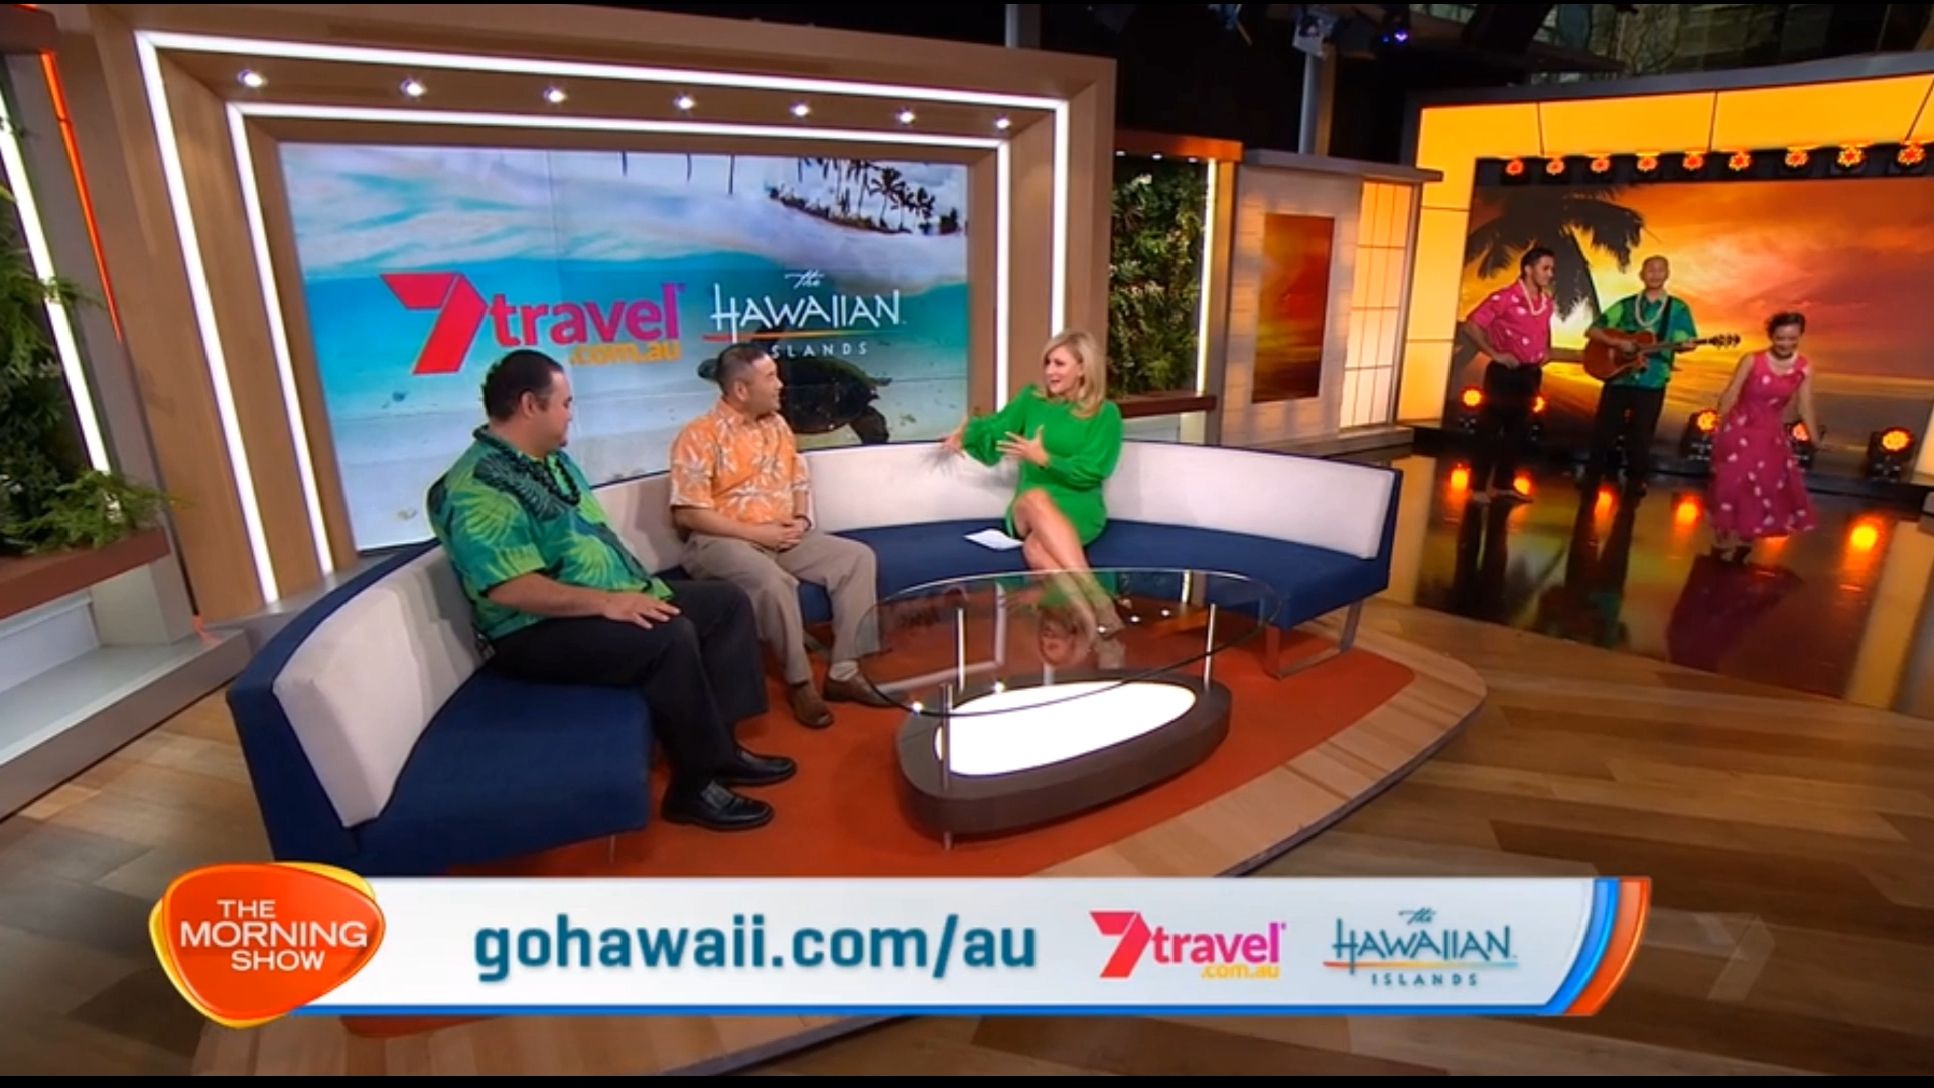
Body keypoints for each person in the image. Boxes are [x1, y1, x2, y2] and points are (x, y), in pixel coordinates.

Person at [426, 349, 795, 833]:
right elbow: (511, 589)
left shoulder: (552, 462)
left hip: (605, 597)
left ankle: (721, 750)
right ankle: (692, 787)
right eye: (566, 404)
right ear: (530, 405)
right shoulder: (476, 488)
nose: (571, 414)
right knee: (669, 636)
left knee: (725, 603)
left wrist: (627, 593)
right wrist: (609, 603)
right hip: (534, 629)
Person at [669, 343, 893, 729]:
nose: (780, 385)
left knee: (856, 558)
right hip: (721, 540)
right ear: (741, 389)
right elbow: (687, 513)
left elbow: (798, 480)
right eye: (771, 377)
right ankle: (800, 682)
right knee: (773, 582)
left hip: (782, 534)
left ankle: (844, 671)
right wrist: (757, 534)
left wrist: (801, 519)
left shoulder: (778, 426)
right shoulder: (698, 436)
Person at [943, 329, 1125, 576]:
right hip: (1026, 510)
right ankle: (1094, 590)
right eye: (1047, 363)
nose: (1050, 371)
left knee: (1036, 548)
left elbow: (1092, 471)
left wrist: (1046, 460)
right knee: (1036, 497)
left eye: (1059, 364)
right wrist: (966, 434)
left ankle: (1079, 603)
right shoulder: (1031, 400)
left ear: (1082, 368)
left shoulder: (1105, 414)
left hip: (1079, 507)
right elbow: (996, 429)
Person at [1706, 312, 1820, 563]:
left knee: (1761, 486)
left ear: (1800, 336)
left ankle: (1746, 536)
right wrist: (1718, 424)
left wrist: (1815, 438)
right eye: (1780, 338)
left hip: (1769, 435)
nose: (1786, 344)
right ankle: (1724, 536)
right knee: (1730, 482)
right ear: (1771, 336)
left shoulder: (1803, 368)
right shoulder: (1752, 360)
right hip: (1738, 427)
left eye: (1792, 338)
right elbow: (1731, 392)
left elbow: (1805, 406)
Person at [1583, 255, 1700, 491]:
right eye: (1650, 269)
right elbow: (1593, 330)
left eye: (1660, 270)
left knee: (1642, 434)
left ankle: (1635, 482)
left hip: (1652, 380)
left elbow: (1683, 342)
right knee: (1604, 431)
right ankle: (1591, 477)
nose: (1655, 274)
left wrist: (1686, 345)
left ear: (1667, 274)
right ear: (1641, 274)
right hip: (1618, 375)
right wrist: (1617, 343)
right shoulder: (1626, 305)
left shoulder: (1678, 309)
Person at [1460, 246, 1558, 504]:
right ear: (1528, 269)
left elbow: (1544, 328)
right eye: (1545, 268)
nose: (1550, 274)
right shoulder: (1504, 297)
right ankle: (1477, 486)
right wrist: (1494, 353)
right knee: (1490, 430)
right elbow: (1472, 325)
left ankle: (1503, 484)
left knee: (1519, 432)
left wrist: (1546, 349)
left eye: (1552, 269)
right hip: (1505, 374)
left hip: (1530, 374)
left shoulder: (1546, 302)